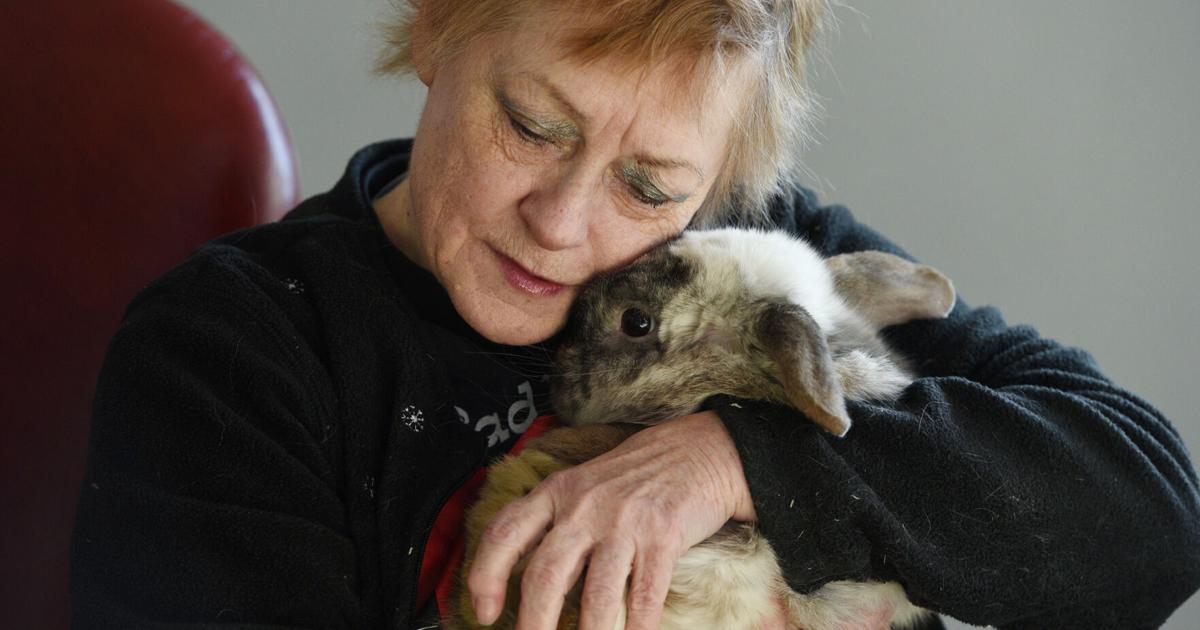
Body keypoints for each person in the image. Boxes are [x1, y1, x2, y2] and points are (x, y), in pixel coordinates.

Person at [69, 1, 1200, 628]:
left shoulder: (754, 261)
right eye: (532, 124)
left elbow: (1149, 512)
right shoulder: (234, 352)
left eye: (651, 188)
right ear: (436, 29)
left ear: (722, 185)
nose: (561, 226)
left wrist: (734, 461)